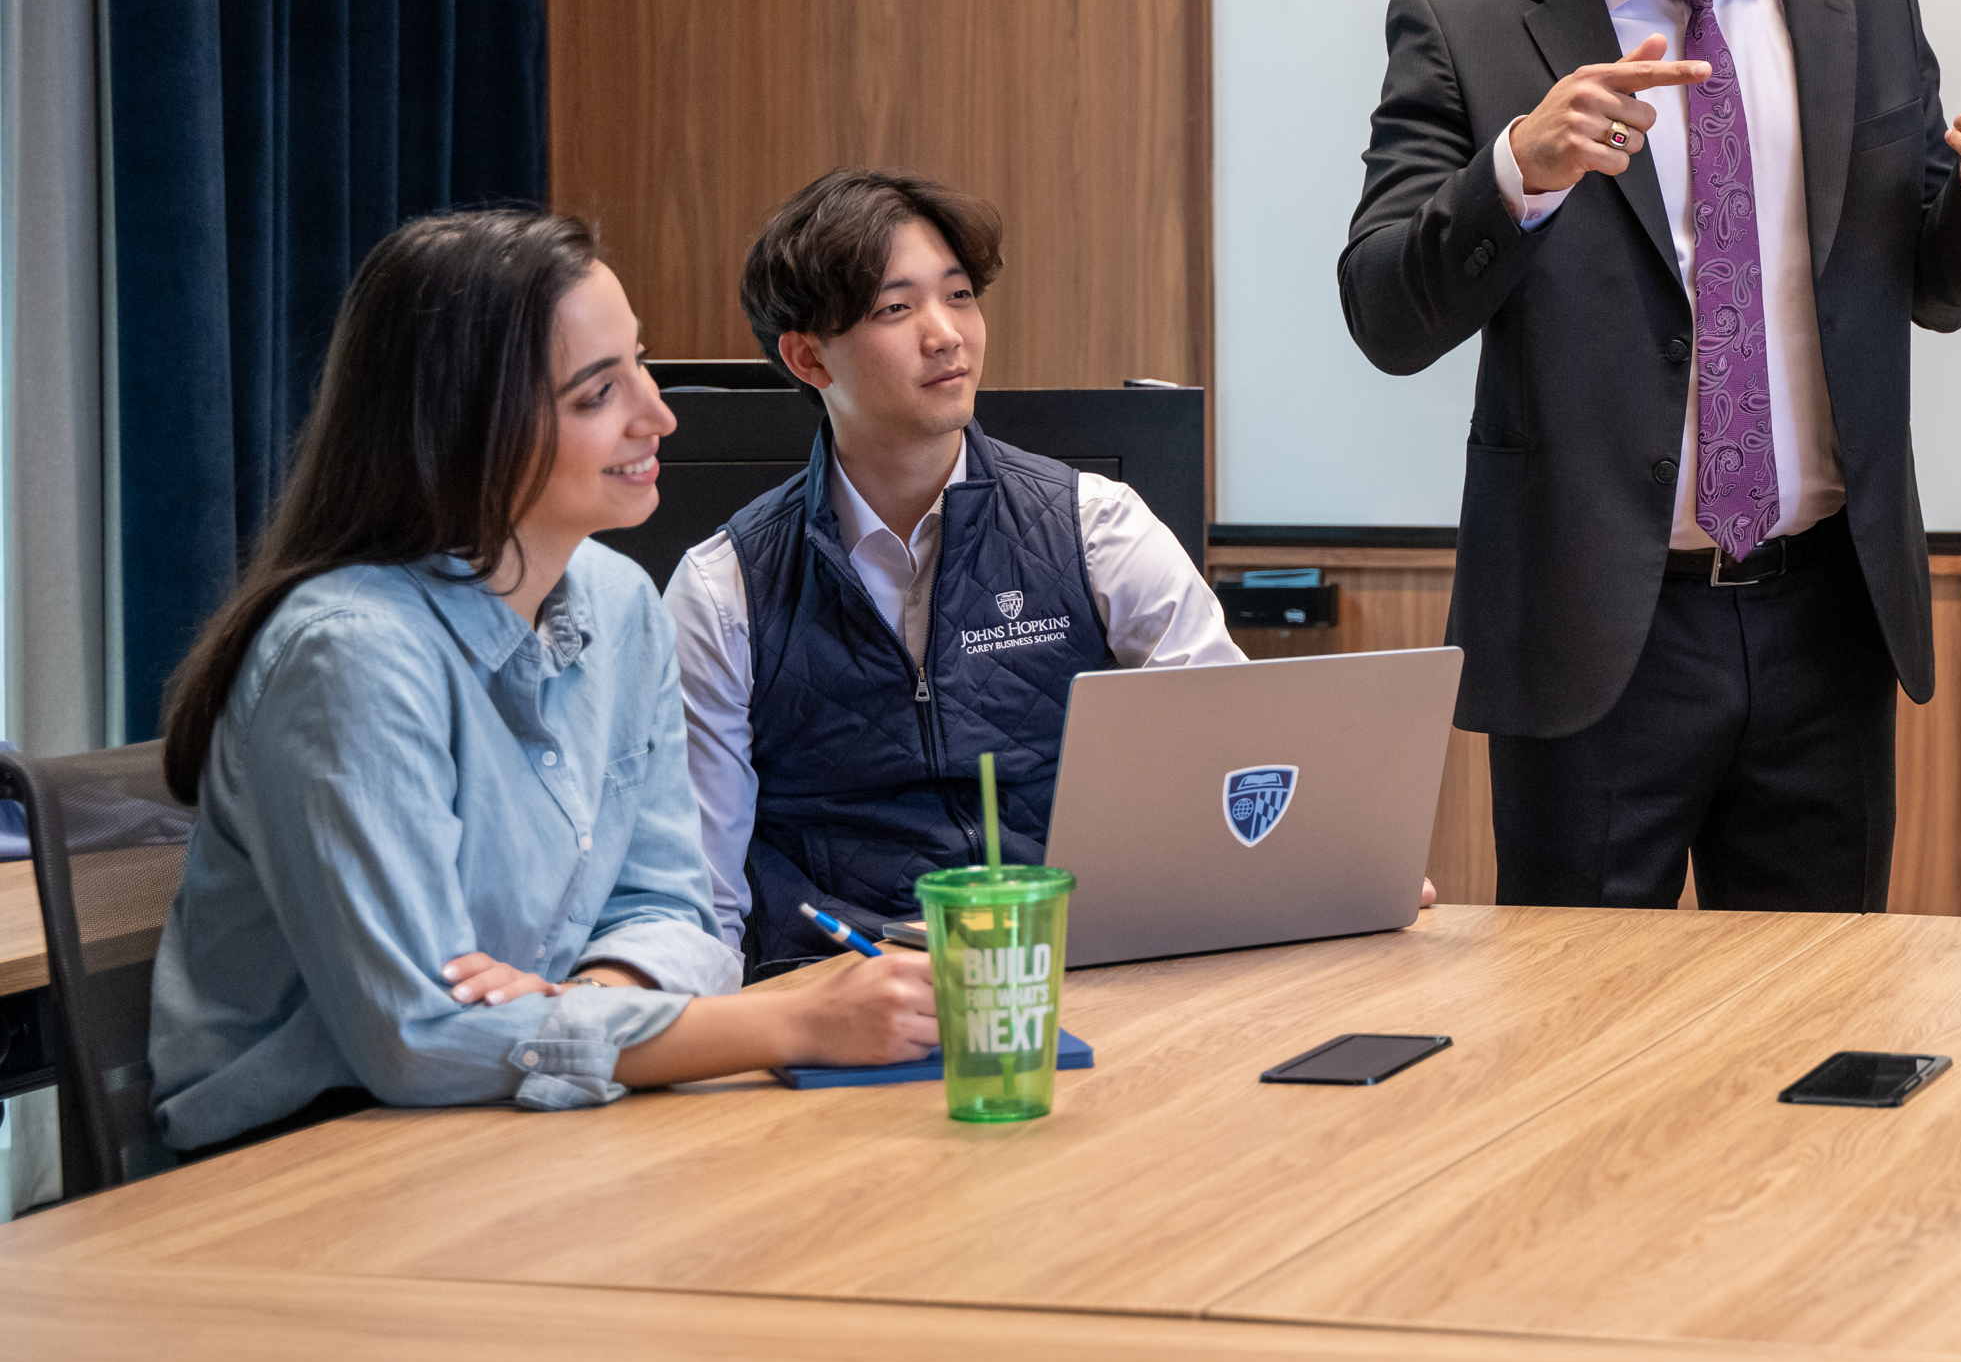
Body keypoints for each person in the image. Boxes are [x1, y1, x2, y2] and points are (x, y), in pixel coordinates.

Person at [1337, 0, 1961, 910]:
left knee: (1819, 1037)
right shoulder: (1463, 25)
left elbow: (1928, 287)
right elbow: (1386, 314)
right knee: (1581, 1046)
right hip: (1596, 630)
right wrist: (1516, 168)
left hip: (1824, 618)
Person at [150, 211, 937, 1155]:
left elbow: (678, 915)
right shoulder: (352, 655)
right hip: (301, 1157)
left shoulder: (622, 602)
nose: (658, 413)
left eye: (639, 364)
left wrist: (585, 1001)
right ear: (463, 426)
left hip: (523, 1122)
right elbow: (422, 1038)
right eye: (598, 393)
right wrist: (796, 1023)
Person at [666, 169, 1243, 975]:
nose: (947, 334)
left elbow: (1234, 742)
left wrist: (1324, 859)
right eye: (896, 308)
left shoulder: (1094, 523)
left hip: (1077, 972)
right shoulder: (723, 588)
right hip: (843, 992)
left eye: (961, 295)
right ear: (807, 357)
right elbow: (699, 897)